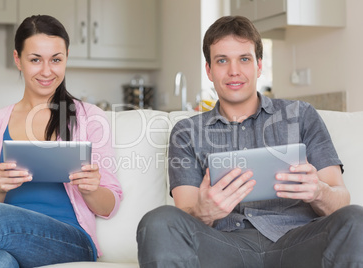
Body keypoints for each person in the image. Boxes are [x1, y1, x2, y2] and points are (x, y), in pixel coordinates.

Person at [137, 16, 363, 267]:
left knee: (356, 218)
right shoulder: (186, 132)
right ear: (209, 71)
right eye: (222, 60)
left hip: (299, 242)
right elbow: (186, 212)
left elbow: (340, 200)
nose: (234, 71)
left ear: (258, 66)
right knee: (158, 222)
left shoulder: (301, 116)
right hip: (225, 246)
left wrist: (318, 191)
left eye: (244, 59)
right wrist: (205, 210)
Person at [0, 15, 122, 267]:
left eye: (56, 60)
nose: (47, 71)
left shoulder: (89, 118)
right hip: (8, 241)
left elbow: (109, 206)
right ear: (18, 60)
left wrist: (91, 189)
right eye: (35, 60)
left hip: (69, 241)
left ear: (66, 57)